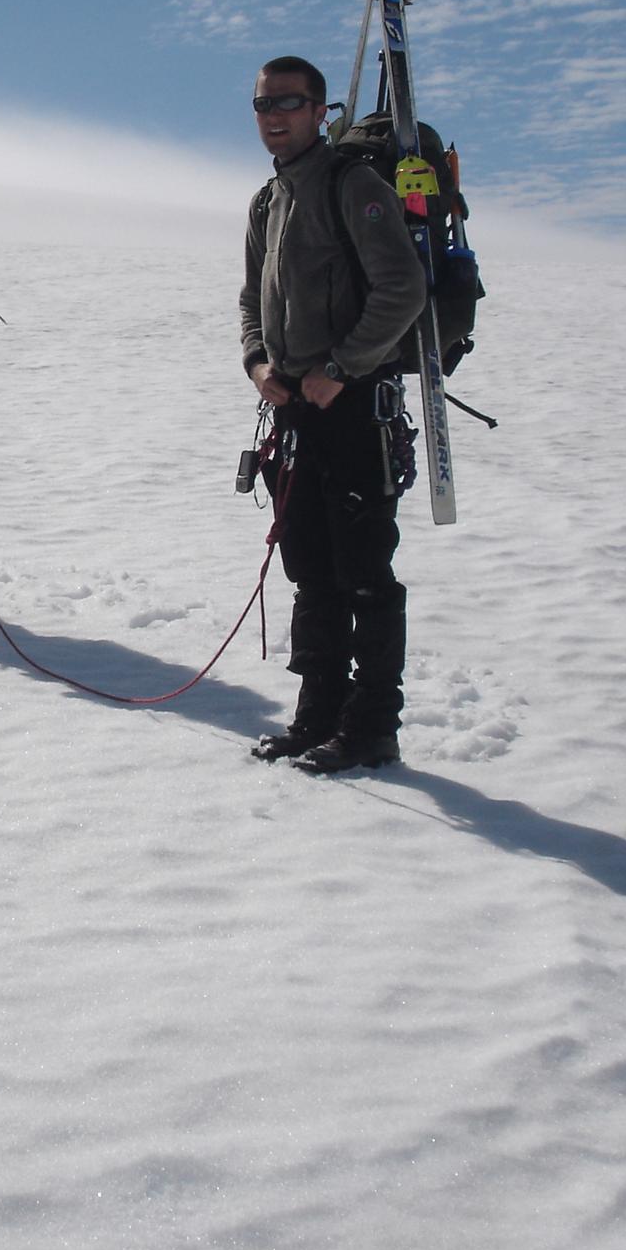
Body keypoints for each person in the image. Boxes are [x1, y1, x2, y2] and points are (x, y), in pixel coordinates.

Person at [238, 56, 425, 773]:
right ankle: (317, 713)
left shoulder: (354, 185)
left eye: (289, 102)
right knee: (310, 568)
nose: (273, 115)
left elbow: (401, 288)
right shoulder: (268, 201)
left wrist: (340, 369)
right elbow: (252, 300)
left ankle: (373, 726)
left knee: (365, 573)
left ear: (321, 111)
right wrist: (260, 365)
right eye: (263, 105)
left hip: (352, 411)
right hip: (294, 415)